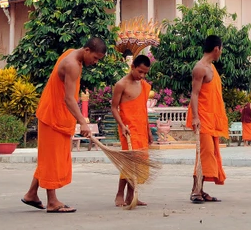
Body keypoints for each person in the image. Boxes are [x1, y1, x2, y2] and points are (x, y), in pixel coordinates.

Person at [21, 38, 107, 213]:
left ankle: (31, 194)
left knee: (48, 157)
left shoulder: (71, 52)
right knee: (52, 159)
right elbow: (68, 98)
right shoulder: (72, 64)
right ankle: (52, 202)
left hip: (54, 114)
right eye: (96, 58)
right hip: (53, 116)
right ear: (87, 50)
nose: (95, 62)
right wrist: (83, 122)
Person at [186, 35, 229, 204]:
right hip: (203, 118)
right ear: (217, 49)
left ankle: (200, 190)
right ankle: (196, 191)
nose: (221, 52)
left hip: (211, 118)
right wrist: (196, 117)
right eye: (221, 49)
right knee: (204, 154)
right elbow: (194, 94)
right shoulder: (200, 68)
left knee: (209, 153)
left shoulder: (211, 67)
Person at [111, 54, 153, 207]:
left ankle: (132, 196)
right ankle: (119, 195)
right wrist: (122, 125)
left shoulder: (143, 85)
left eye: (145, 73)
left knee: (140, 163)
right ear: (133, 67)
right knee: (129, 163)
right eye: (140, 71)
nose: (142, 76)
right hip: (128, 129)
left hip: (141, 128)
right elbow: (114, 107)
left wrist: (148, 131)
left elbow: (143, 109)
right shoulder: (121, 84)